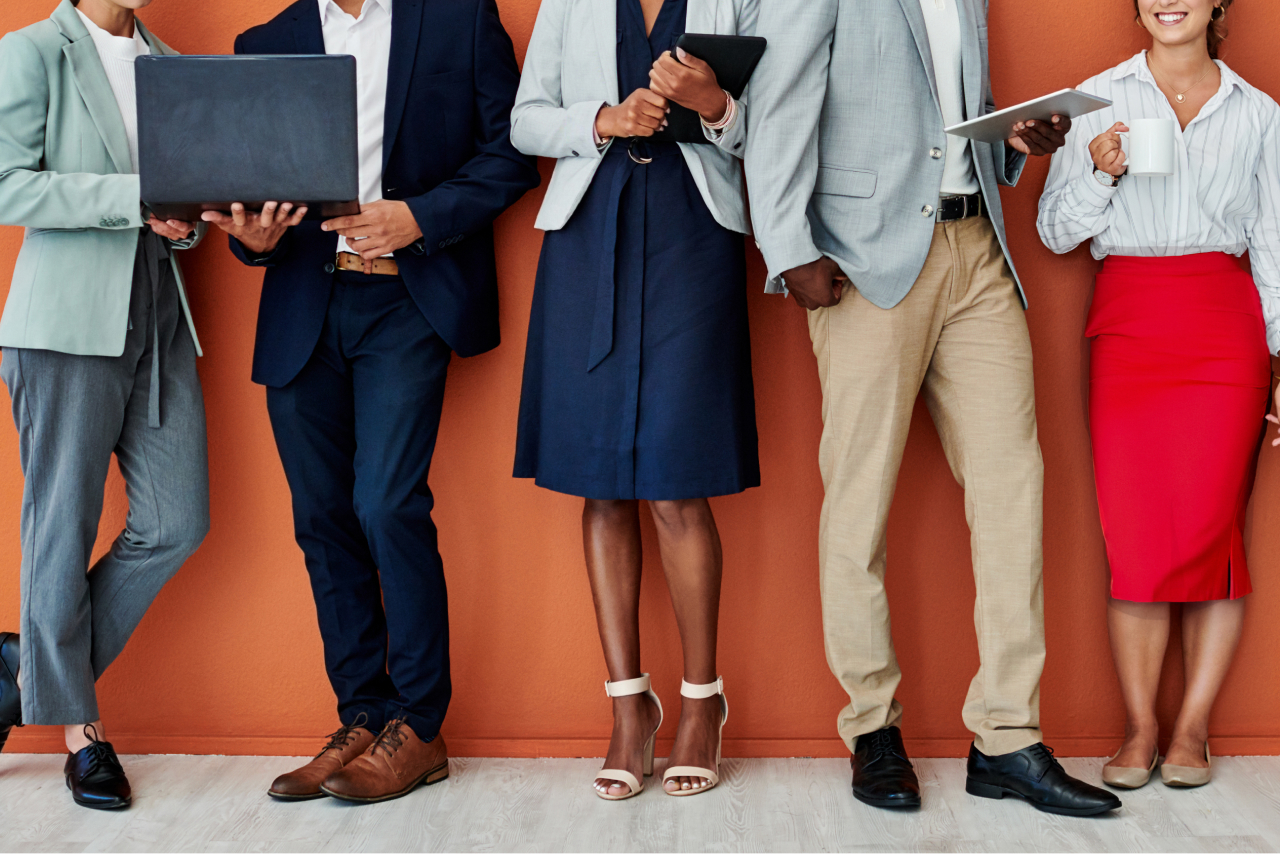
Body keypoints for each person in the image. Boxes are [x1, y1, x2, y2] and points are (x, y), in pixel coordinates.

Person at [745, 0, 1123, 817]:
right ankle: (872, 728)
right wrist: (787, 249)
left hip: (977, 251)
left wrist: (1015, 144)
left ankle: (1008, 737)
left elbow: (948, 120)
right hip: (863, 256)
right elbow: (776, 103)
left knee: (1013, 487)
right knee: (859, 500)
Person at [201, 0, 538, 805]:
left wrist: (420, 215)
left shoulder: (458, 18)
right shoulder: (267, 44)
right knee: (321, 518)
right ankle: (363, 716)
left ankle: (418, 727)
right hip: (301, 310)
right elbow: (248, 195)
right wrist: (250, 238)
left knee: (387, 504)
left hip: (407, 302)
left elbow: (511, 155)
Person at [511, 0, 759, 800]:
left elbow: (776, 120)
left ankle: (701, 699)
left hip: (694, 236)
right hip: (590, 235)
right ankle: (628, 707)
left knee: (677, 483)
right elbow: (525, 123)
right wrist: (606, 119)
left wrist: (712, 105)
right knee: (601, 485)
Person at [1039, 0, 1275, 791]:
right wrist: (1101, 170)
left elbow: (1276, 244)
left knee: (1215, 533)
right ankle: (1139, 729)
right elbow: (1055, 231)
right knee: (1135, 538)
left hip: (1225, 324)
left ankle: (1192, 730)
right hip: (1131, 322)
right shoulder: (1094, 98)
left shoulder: (1261, 115)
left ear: (1218, 3)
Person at [0, 0, 209, 810]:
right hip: (63, 322)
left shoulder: (171, 64)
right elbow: (9, 184)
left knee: (178, 521)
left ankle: (22, 675)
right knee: (63, 522)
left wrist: (186, 222)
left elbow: (178, 204)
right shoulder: (31, 52)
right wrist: (136, 197)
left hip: (157, 312)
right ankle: (80, 733)